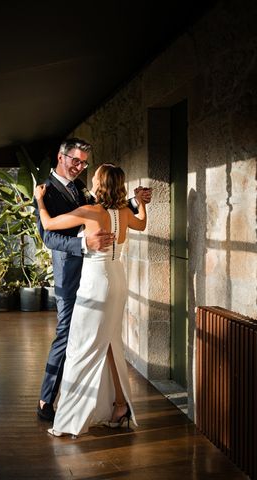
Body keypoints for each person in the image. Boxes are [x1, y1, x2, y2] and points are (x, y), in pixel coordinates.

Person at [35, 138, 151, 422]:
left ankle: (103, 403)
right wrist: (85, 244)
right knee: (68, 334)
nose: (80, 166)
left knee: (95, 338)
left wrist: (135, 202)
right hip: (72, 273)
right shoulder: (46, 190)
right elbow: (48, 236)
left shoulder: (81, 189)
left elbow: (108, 208)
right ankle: (46, 400)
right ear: (61, 157)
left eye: (85, 163)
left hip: (96, 275)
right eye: (76, 160)